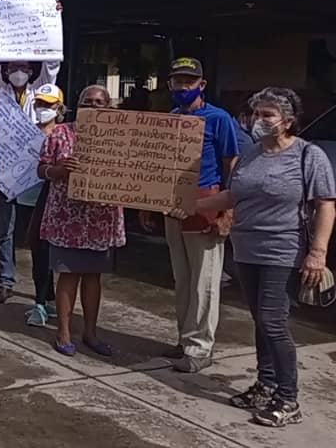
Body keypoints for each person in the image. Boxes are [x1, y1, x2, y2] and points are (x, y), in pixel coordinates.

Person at [172, 87, 335, 427]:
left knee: (274, 321)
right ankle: (266, 383)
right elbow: (233, 194)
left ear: (287, 121)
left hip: (284, 251)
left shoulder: (309, 156)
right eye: (256, 114)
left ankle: (287, 398)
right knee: (260, 319)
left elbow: (325, 205)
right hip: (247, 250)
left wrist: (318, 253)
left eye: (267, 115)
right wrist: (196, 206)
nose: (258, 121)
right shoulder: (251, 155)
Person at [144, 57, 240, 373]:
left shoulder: (219, 119)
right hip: (174, 204)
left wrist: (227, 210)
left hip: (207, 202)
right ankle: (186, 338)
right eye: (177, 81)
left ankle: (201, 347)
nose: (183, 87)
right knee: (183, 278)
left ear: (202, 84)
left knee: (205, 280)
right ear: (169, 84)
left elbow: (232, 164)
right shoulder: (172, 118)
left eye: (189, 81)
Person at [0, 2, 63, 303]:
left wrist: (54, 20)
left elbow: (52, 64)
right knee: (6, 230)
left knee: (42, 231)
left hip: (37, 171)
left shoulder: (40, 92)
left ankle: (45, 288)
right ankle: (5, 281)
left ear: (31, 71)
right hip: (5, 170)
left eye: (24, 68)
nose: (19, 72)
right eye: (13, 68)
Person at [38, 85, 125, 357]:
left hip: (100, 218)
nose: (94, 106)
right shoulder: (60, 134)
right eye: (88, 102)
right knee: (68, 274)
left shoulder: (120, 138)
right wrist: (59, 170)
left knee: (93, 277)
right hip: (67, 218)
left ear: (109, 106)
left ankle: (91, 332)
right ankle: (63, 332)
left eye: (100, 102)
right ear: (78, 106)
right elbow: (41, 169)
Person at [23, 84, 65, 327]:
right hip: (29, 198)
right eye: (39, 104)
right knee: (38, 250)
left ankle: (49, 300)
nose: (42, 108)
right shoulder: (25, 132)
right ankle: (42, 300)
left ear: (59, 107)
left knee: (56, 254)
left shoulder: (66, 135)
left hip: (57, 201)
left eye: (47, 104)